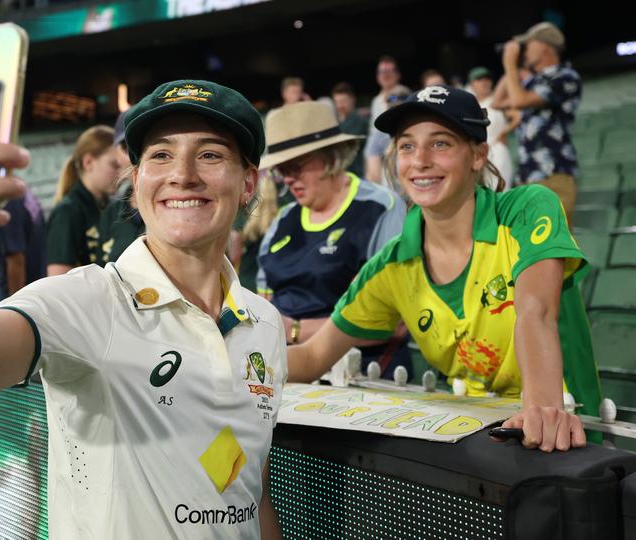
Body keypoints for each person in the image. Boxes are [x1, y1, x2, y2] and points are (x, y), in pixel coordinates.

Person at [0, 76, 285, 538]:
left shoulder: (264, 324)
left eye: (210, 154)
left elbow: (251, 493)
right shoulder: (88, 301)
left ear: (248, 183)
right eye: (160, 154)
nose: (182, 173)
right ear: (136, 182)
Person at [287, 85, 601, 453]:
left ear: (478, 155)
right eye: (406, 146)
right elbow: (310, 358)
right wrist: (225, 365)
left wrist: (543, 410)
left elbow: (536, 313)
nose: (419, 160)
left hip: (563, 441)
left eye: (440, 143)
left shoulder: (526, 209)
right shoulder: (391, 265)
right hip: (481, 448)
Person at [257, 101, 410, 379]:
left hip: (360, 374)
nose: (288, 179)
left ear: (331, 156)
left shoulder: (379, 208)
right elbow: (261, 306)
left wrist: (294, 329)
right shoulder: (283, 219)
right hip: (283, 370)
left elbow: (395, 321)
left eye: (296, 166)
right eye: (281, 169)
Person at [494, 22, 581, 225]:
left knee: (553, 249)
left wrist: (509, 62)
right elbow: (498, 102)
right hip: (527, 174)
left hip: (553, 173)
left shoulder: (565, 76)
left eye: (528, 45)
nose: (524, 50)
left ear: (543, 47)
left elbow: (518, 101)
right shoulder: (533, 82)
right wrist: (513, 68)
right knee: (527, 247)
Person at [46, 125, 120, 275]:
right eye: (114, 165)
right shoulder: (67, 211)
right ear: (88, 162)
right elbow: (58, 278)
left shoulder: (108, 206)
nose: (121, 173)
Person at [99, 111, 146, 264]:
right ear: (116, 152)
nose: (136, 157)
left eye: (143, 146)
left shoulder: (179, 210)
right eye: (127, 148)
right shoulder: (110, 213)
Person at [0, 186, 47, 303]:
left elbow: (16, 259)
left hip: (25, 293)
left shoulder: (5, 200)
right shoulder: (19, 188)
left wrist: (15, 305)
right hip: (36, 287)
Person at [468, 67, 514, 190]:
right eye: (479, 79)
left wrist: (504, 133)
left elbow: (518, 116)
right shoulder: (471, 105)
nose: (484, 82)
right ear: (472, 84)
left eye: (487, 79)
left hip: (497, 150)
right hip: (478, 154)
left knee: (501, 189)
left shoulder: (498, 101)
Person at [364, 85, 411, 185]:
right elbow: (373, 176)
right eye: (394, 109)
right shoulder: (378, 135)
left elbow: (373, 177)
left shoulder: (421, 130)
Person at [331, 82, 369, 178]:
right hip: (343, 174)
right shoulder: (337, 123)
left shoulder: (360, 121)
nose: (340, 106)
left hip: (358, 173)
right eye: (337, 102)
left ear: (352, 100)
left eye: (343, 101)